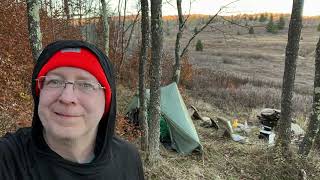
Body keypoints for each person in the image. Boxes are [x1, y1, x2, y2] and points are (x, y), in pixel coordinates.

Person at [0, 40, 144, 180]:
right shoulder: (7, 160)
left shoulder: (128, 159)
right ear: (39, 92)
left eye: (86, 85)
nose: (67, 98)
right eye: (54, 81)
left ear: (107, 101)